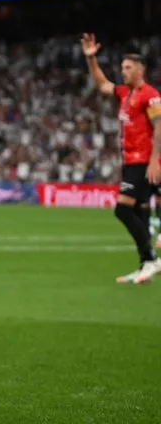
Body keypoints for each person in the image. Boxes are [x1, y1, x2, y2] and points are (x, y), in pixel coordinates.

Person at [82, 32, 161, 284]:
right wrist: (91, 59)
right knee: (139, 210)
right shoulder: (125, 94)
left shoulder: (149, 94)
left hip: (143, 161)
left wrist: (154, 160)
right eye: (122, 67)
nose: (123, 71)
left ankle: (150, 260)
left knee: (122, 209)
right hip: (130, 161)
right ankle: (144, 266)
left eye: (128, 68)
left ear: (140, 69)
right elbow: (102, 84)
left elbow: (159, 126)